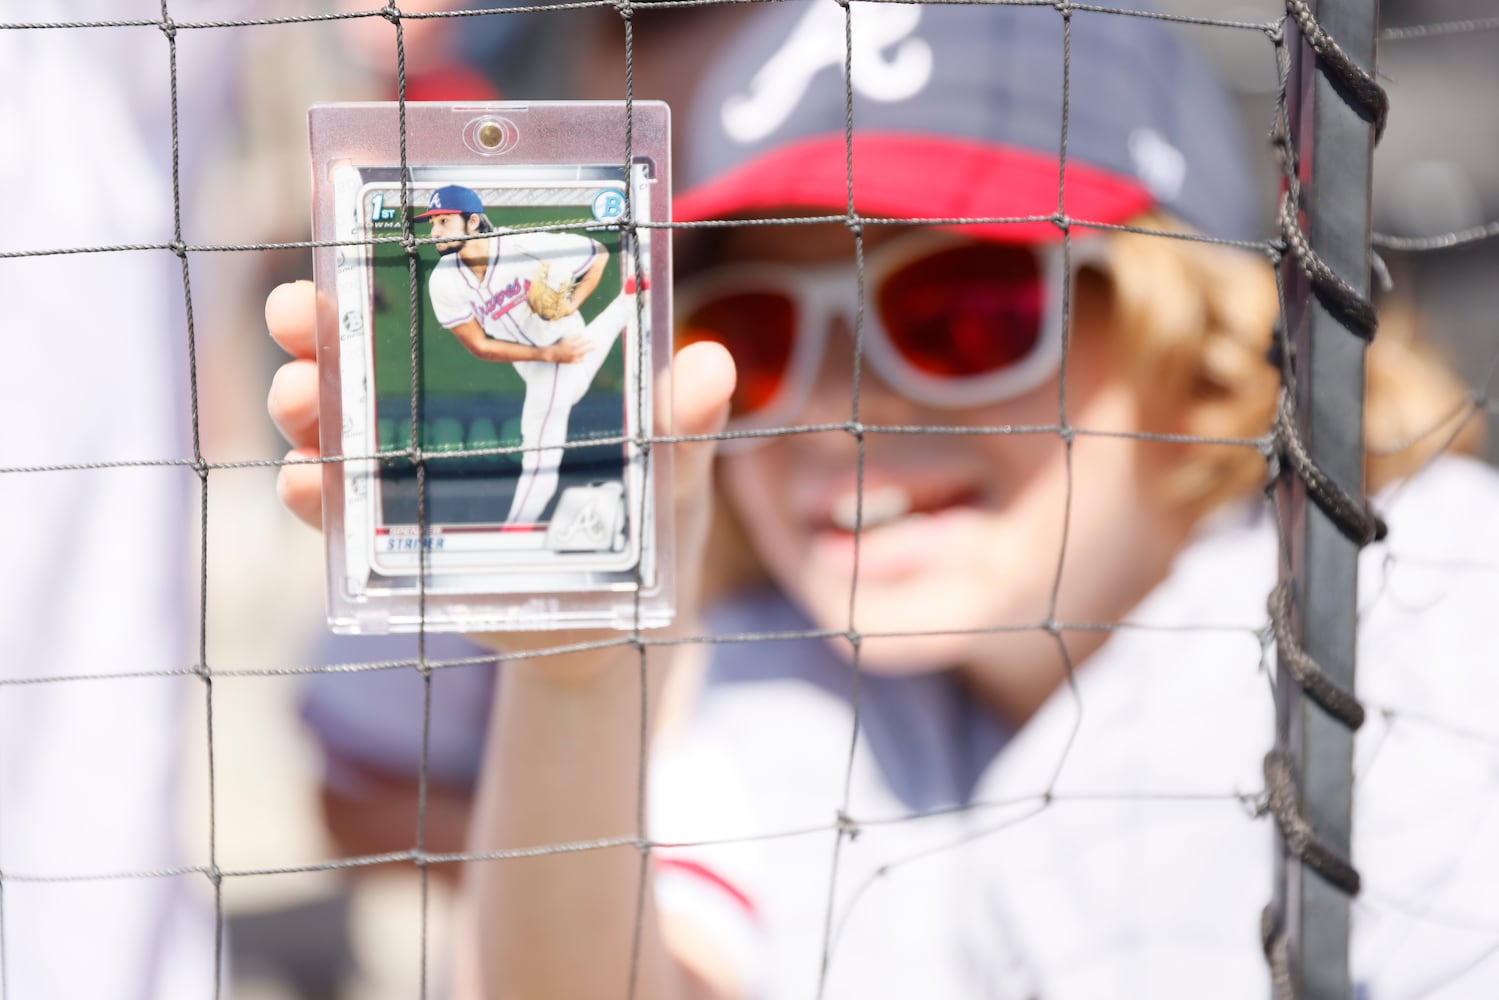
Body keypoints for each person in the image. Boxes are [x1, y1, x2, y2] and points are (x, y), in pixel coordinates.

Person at [268, 3, 1499, 997]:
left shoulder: (1433, 622)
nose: (838, 417)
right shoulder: (804, 681)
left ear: (1207, 342)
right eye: (745, 334)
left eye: (963, 311)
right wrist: (573, 685)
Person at [417, 183, 627, 524]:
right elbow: (481, 347)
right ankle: (627, 304)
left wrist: (571, 304)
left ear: (472, 222)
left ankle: (516, 528)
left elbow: (598, 253)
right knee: (572, 389)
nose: (434, 231)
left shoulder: (524, 245)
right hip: (536, 357)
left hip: (561, 338)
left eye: (444, 221)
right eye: (432, 222)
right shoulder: (443, 281)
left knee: (539, 442)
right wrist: (548, 354)